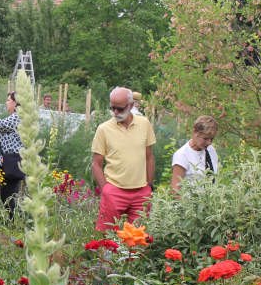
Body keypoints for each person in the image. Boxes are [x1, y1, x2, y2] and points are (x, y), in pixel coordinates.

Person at [90, 86, 156, 231]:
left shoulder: (144, 124)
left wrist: (149, 186)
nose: (115, 112)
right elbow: (96, 164)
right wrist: (106, 190)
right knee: (106, 238)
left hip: (141, 192)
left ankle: (131, 255)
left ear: (131, 105)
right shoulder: (104, 129)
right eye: (112, 108)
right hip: (114, 190)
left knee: (137, 240)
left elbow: (149, 157)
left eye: (120, 109)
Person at [170, 115, 219, 193]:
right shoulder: (182, 155)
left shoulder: (211, 150)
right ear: (195, 132)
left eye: (212, 139)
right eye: (205, 138)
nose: (209, 142)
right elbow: (175, 191)